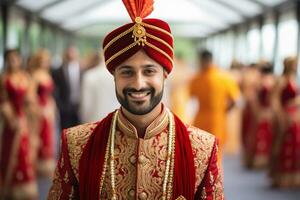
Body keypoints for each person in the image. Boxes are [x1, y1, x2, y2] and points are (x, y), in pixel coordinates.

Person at [48, 0, 224, 199]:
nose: (138, 83)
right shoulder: (76, 145)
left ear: (165, 74)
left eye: (149, 71)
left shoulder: (202, 148)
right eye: (127, 72)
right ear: (114, 75)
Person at [189, 50, 241, 163]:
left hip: (201, 120)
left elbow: (190, 97)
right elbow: (235, 100)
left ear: (201, 61)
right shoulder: (224, 78)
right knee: (216, 154)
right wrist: (224, 111)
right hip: (218, 119)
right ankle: (215, 179)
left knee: (200, 154)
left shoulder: (196, 78)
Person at [0, 49, 38, 199]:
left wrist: (29, 113)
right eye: (10, 59)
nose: (13, 61)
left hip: (25, 120)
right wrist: (11, 119)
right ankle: (9, 188)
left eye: (16, 58)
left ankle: (25, 189)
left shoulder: (25, 77)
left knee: (25, 152)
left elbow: (31, 99)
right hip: (11, 124)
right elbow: (3, 102)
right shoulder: (4, 78)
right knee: (10, 153)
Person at [270, 56, 300, 188]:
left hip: (295, 116)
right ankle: (281, 176)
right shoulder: (282, 80)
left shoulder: (294, 79)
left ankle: (294, 177)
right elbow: (274, 100)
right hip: (286, 116)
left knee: (295, 145)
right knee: (284, 144)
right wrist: (281, 116)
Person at [29, 49, 56, 177]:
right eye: (43, 60)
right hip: (39, 110)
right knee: (39, 135)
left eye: (47, 60)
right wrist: (39, 109)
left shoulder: (47, 74)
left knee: (48, 135)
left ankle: (45, 164)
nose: (45, 63)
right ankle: (36, 164)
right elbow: (31, 95)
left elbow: (49, 94)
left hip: (48, 109)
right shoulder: (35, 75)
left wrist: (51, 106)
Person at [80, 52, 119, 122]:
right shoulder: (118, 75)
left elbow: (86, 106)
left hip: (95, 121)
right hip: (116, 120)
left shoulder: (89, 75)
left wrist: (84, 122)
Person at [51, 46, 82, 130]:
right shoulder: (59, 70)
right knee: (65, 131)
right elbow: (55, 89)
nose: (71, 54)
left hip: (79, 106)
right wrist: (60, 105)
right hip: (65, 107)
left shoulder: (82, 69)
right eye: (70, 52)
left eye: (73, 52)